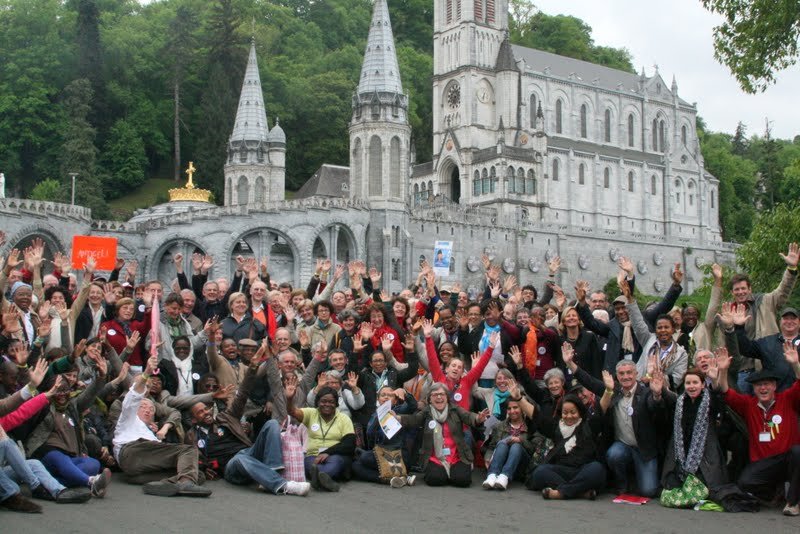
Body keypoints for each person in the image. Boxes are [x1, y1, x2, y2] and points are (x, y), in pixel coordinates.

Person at [187, 342, 310, 496]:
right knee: (240, 459)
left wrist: (253, 366)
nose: (206, 412)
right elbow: (191, 457)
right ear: (193, 420)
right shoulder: (193, 435)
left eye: (206, 409)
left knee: (271, 424)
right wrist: (205, 469)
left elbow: (243, 392)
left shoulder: (225, 417)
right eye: (200, 412)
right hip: (232, 467)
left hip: (249, 452)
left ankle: (273, 471)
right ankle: (283, 485)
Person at [713, 341, 800, 516]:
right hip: (764, 463)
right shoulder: (748, 404)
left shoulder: (787, 399)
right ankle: (774, 492)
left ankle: (793, 502)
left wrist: (795, 364)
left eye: (767, 384)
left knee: (798, 452)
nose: (763, 388)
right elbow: (725, 391)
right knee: (745, 483)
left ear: (774, 386)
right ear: (753, 388)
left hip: (787, 459)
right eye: (759, 385)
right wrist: (722, 371)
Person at [113, 355, 211, 497]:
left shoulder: (151, 430)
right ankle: (184, 484)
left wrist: (161, 429)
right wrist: (146, 373)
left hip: (139, 467)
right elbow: (133, 397)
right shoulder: (128, 418)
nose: (148, 409)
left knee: (197, 474)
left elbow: (174, 413)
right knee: (188, 450)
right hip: (132, 450)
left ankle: (164, 483)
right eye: (143, 406)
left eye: (151, 409)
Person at [25, 340, 111, 497]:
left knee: (93, 464)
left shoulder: (73, 405)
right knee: (58, 458)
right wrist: (71, 357)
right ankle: (91, 483)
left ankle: (50, 483)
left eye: (65, 391)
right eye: (57, 390)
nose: (62, 394)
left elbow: (90, 394)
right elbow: (43, 378)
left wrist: (101, 377)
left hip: (71, 456)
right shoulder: (42, 404)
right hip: (47, 453)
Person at [396, 383, 490, 487]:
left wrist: (478, 418)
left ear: (447, 397)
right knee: (435, 480)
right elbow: (414, 420)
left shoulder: (455, 409)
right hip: (434, 456)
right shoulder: (427, 411)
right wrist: (398, 418)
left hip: (456, 455)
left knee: (462, 480)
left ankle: (453, 471)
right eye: (435, 394)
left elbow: (468, 416)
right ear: (430, 399)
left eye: (442, 394)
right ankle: (444, 472)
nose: (439, 397)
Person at [660, 366, 728, 496]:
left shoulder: (710, 400)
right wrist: (661, 388)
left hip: (705, 457)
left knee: (703, 490)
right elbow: (668, 397)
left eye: (695, 382)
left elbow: (719, 397)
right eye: (688, 383)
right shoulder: (680, 401)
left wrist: (714, 381)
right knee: (672, 488)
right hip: (681, 455)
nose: (691, 386)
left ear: (703, 385)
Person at [528, 393, 606, 500]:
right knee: (540, 472)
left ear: (579, 412)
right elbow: (537, 417)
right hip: (561, 472)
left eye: (573, 412)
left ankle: (560, 493)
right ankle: (580, 493)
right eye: (565, 412)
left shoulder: (588, 426)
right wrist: (519, 399)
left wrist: (608, 391)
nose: (569, 416)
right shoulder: (556, 427)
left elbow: (600, 411)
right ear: (561, 413)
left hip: (583, 471)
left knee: (597, 469)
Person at [285, 376, 356, 492]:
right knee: (310, 464)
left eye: (331, 402)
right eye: (323, 401)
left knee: (336, 462)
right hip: (313, 455)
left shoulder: (344, 418)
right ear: (317, 402)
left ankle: (319, 478)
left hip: (334, 455)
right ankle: (326, 481)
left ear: (336, 404)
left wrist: (327, 452)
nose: (327, 404)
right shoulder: (311, 413)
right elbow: (292, 411)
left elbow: (350, 444)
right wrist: (289, 399)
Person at [351, 385, 418, 488]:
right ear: (378, 399)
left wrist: (404, 392)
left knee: (364, 457)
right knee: (355, 466)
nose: (386, 397)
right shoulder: (374, 415)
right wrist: (380, 415)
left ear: (395, 401)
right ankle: (394, 479)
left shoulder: (399, 410)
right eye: (383, 395)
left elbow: (413, 406)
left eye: (390, 395)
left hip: (398, 456)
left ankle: (399, 475)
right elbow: (370, 435)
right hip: (380, 455)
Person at [482, 392, 535, 490]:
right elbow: (492, 446)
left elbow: (533, 449)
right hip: (501, 461)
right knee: (502, 444)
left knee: (515, 445)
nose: (512, 411)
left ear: (522, 409)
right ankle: (492, 475)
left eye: (515, 408)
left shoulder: (531, 426)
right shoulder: (500, 425)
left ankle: (504, 476)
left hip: (521, 466)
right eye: (509, 409)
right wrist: (488, 458)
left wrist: (520, 440)